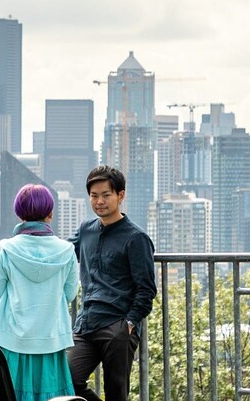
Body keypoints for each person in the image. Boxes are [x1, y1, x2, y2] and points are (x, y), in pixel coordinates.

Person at [67, 166, 156, 401]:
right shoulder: (86, 230)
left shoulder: (136, 238)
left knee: (116, 392)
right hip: (85, 325)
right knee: (68, 381)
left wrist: (128, 324)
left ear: (120, 195)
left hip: (117, 325)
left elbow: (146, 289)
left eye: (106, 195)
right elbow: (61, 253)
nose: (99, 202)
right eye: (94, 195)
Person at [0, 184, 80, 401]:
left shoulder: (6, 249)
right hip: (50, 339)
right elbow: (70, 293)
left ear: (20, 214)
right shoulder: (66, 251)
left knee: (11, 394)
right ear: (50, 213)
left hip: (11, 340)